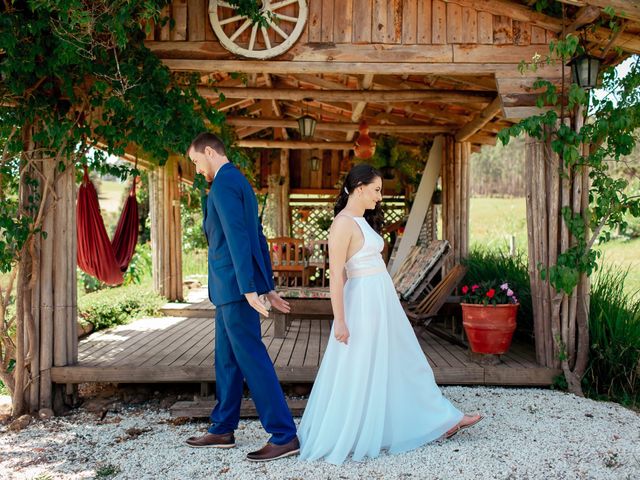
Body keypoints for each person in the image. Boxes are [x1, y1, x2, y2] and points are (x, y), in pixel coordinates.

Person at [298, 164, 483, 465]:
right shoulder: (343, 224)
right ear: (359, 188)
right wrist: (340, 320)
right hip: (364, 304)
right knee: (364, 367)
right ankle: (366, 429)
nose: (380, 197)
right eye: (376, 190)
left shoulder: (361, 220)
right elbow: (336, 276)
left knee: (405, 360)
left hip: (382, 302)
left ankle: (440, 418)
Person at [184, 133, 299, 462]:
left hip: (235, 289)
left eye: (196, 162)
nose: (196, 170)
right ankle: (222, 428)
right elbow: (257, 237)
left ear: (209, 152)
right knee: (227, 360)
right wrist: (268, 285)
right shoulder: (238, 182)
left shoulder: (222, 185)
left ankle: (284, 435)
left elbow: (238, 237)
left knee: (251, 357)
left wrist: (251, 288)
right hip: (231, 289)